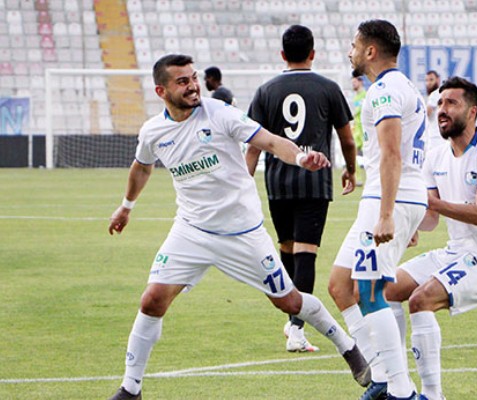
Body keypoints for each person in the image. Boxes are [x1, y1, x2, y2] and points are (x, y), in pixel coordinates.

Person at [106, 54, 369, 400]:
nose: (193, 86)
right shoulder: (153, 131)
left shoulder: (220, 114)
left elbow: (270, 141)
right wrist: (126, 207)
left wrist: (300, 157)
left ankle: (348, 346)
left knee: (289, 302)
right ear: (161, 91)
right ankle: (131, 388)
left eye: (194, 78)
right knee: (152, 299)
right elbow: (142, 167)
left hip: (243, 233)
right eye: (182, 82)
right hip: (191, 230)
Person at [384, 76, 477, 400]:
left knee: (421, 300)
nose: (442, 110)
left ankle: (432, 394)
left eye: (451, 103)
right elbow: (431, 218)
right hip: (454, 252)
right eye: (440, 103)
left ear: (472, 112)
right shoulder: (436, 157)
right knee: (386, 289)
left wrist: (431, 203)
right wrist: (410, 225)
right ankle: (398, 385)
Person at [328, 19, 428, 400]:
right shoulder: (404, 87)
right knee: (340, 285)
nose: (350, 52)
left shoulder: (384, 91)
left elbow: (391, 154)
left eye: (354, 45)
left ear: (370, 51)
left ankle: (400, 391)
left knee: (370, 292)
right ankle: (381, 374)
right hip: (396, 198)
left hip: (389, 200)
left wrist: (388, 214)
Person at [244, 25, 358, 353]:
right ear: (313, 53)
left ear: (282, 54)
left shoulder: (266, 90)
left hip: (278, 182)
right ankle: (296, 329)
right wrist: (350, 170)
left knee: (288, 249)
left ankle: (292, 318)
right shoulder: (328, 88)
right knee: (306, 253)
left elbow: (253, 147)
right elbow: (347, 139)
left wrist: (242, 186)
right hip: (314, 182)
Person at [351, 70, 367, 186]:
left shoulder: (365, 95)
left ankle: (371, 178)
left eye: (355, 82)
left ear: (360, 82)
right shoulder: (356, 97)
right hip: (357, 130)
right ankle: (358, 178)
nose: (353, 85)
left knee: (368, 155)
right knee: (355, 154)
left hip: (364, 130)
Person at [424, 71, 443, 151]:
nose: (428, 83)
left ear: (438, 80)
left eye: (431, 80)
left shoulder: (435, 94)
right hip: (441, 136)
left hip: (435, 138)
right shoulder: (441, 94)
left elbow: (427, 113)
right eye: (426, 80)